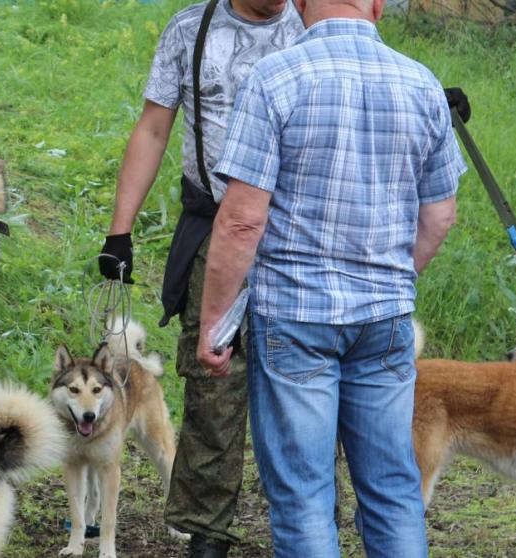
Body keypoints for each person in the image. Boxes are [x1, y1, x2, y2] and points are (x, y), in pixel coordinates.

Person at [195, 0, 468, 555]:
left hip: (295, 318)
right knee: (393, 488)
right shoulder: (421, 83)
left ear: (299, 4)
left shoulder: (273, 78)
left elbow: (243, 218)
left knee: (302, 494)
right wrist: (391, 279)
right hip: (385, 319)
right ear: (378, 4)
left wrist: (214, 325)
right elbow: (441, 213)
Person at [96, 1, 303, 556]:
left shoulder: (316, 24)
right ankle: (207, 534)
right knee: (214, 384)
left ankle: (310, 530)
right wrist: (120, 232)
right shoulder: (190, 29)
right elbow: (154, 129)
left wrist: (427, 99)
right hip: (216, 229)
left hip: (298, 235)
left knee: (304, 384)